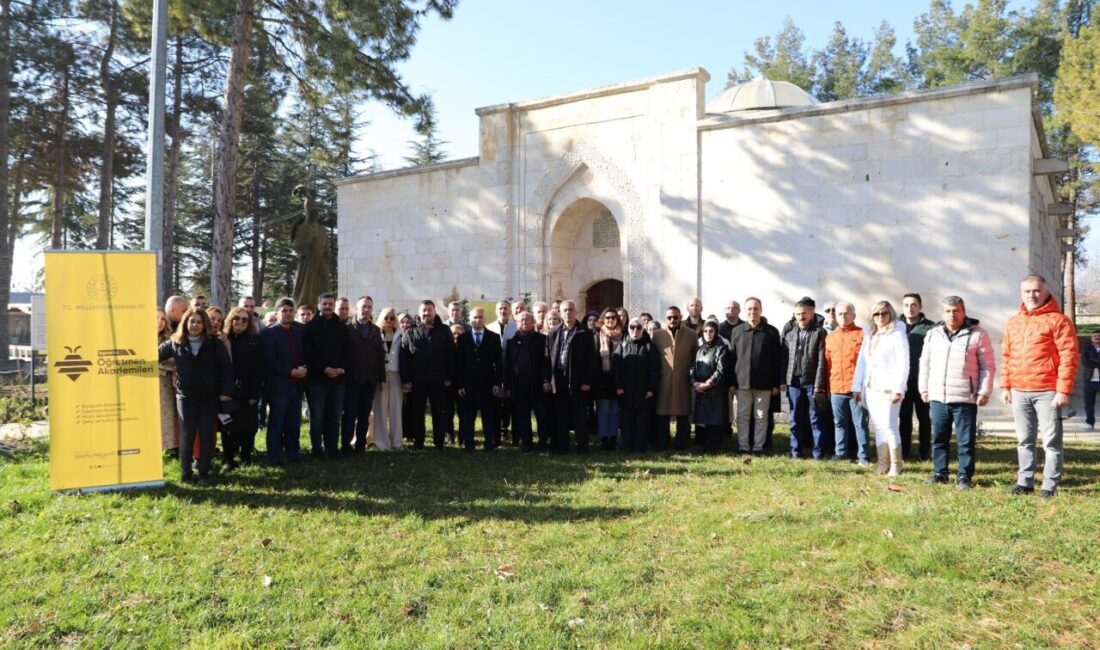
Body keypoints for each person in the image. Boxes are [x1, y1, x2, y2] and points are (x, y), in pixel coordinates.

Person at [1002, 275, 1079, 498]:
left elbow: (1069, 357)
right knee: (1024, 440)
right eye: (1027, 291)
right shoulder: (1014, 322)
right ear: (1021, 294)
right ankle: (1025, 482)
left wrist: (1063, 390)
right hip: (1019, 390)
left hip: (1047, 392)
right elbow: (1007, 355)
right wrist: (1006, 385)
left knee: (1051, 442)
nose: (1032, 295)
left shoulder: (1059, 321)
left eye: (1036, 291)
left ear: (1045, 292)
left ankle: (1049, 485)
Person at [918, 296, 996, 489]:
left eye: (956, 311)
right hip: (938, 397)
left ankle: (964, 477)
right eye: (948, 311)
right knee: (939, 439)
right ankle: (939, 473)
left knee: (965, 441)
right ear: (942, 313)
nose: (952, 315)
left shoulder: (978, 334)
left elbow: (987, 366)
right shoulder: (933, 334)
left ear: (964, 311)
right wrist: (924, 388)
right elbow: (925, 363)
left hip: (965, 397)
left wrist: (984, 391)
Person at [158, 307, 233, 484]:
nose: (195, 325)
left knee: (207, 435)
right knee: (187, 435)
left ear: (204, 324)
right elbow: (153, 354)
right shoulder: (175, 342)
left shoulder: (215, 344)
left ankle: (203, 473)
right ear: (185, 322)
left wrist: (226, 392)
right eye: (192, 321)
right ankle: (185, 474)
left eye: (199, 322)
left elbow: (226, 369)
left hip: (209, 398)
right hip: (185, 398)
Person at [852, 300, 909, 477]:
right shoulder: (870, 334)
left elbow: (903, 364)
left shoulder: (897, 334)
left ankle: (896, 465)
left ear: (890, 314)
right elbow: (862, 362)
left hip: (889, 389)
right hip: (871, 387)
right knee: (877, 426)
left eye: (884, 313)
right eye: (876, 314)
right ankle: (882, 463)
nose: (880, 317)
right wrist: (857, 386)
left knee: (890, 426)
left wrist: (898, 389)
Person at [728, 298, 782, 455]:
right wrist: (732, 383)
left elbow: (776, 360)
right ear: (745, 311)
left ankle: (759, 447)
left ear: (761, 310)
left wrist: (775, 384)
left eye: (756, 308)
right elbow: (732, 359)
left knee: (761, 416)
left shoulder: (771, 332)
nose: (753, 311)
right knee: (742, 416)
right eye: (750, 309)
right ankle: (743, 446)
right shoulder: (737, 331)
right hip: (742, 383)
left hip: (764, 384)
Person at [400, 300, 455, 449]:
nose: (426, 313)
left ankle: (439, 442)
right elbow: (404, 358)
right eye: (424, 310)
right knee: (417, 412)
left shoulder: (444, 330)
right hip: (417, 380)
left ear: (434, 312)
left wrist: (449, 377)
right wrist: (406, 379)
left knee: (439, 412)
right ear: (419, 313)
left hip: (439, 380)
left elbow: (450, 354)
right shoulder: (410, 332)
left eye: (429, 310)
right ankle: (419, 442)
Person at [302, 292, 350, 459]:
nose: (328, 307)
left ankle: (332, 449)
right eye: (325, 304)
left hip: (338, 380)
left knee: (334, 418)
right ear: (319, 305)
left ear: (334, 305)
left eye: (330, 304)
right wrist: (324, 368)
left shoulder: (342, 327)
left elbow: (348, 351)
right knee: (317, 418)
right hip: (317, 381)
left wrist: (341, 368)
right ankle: (317, 450)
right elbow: (308, 353)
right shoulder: (309, 327)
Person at [781, 299, 828, 459]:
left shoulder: (819, 333)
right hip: (793, 382)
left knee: (815, 418)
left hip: (811, 382)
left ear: (811, 313)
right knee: (795, 419)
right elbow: (784, 359)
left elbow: (822, 361)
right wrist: (783, 380)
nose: (801, 317)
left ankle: (818, 453)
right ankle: (795, 452)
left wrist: (819, 385)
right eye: (798, 314)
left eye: (804, 313)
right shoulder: (789, 334)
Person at [261, 298, 306, 465]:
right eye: (284, 310)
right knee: (276, 423)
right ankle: (274, 457)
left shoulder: (297, 332)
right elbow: (269, 360)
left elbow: (302, 354)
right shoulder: (269, 332)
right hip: (279, 386)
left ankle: (293, 454)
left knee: (294, 423)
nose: (288, 313)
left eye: (290, 310)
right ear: (277, 312)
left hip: (296, 385)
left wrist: (303, 368)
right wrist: (290, 371)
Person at [548, 300, 597, 453]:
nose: (568, 312)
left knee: (579, 416)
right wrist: (548, 379)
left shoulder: (585, 333)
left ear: (576, 312)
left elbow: (591, 360)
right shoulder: (553, 332)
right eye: (565, 310)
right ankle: (563, 447)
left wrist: (587, 381)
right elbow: (547, 357)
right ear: (560, 314)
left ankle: (582, 447)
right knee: (560, 415)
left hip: (578, 380)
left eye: (571, 310)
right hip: (559, 379)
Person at [825, 302, 870, 465]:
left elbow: (867, 362)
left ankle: (863, 456)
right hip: (836, 387)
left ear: (854, 315)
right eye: (840, 314)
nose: (843, 316)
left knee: (860, 424)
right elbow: (828, 363)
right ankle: (841, 453)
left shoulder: (862, 335)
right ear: (835, 316)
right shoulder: (830, 337)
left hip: (856, 389)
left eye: (847, 313)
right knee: (839, 423)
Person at [455, 307, 502, 451]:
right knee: (468, 416)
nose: (477, 320)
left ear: (485, 319)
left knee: (488, 415)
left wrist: (497, 382)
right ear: (470, 319)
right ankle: (469, 443)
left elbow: (499, 362)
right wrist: (460, 384)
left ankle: (489, 443)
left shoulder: (494, 337)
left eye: (480, 317)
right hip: (468, 384)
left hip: (488, 384)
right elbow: (459, 364)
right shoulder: (463, 338)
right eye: (475, 317)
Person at [222, 306, 263, 469]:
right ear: (230, 320)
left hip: (248, 390)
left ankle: (246, 457)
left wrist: (255, 393)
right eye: (236, 318)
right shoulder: (223, 340)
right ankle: (228, 459)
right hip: (228, 390)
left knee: (248, 426)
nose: (240, 322)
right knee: (228, 427)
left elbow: (259, 369)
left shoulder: (255, 340)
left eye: (244, 319)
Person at [343, 297, 385, 454]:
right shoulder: (347, 329)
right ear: (356, 308)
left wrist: (381, 378)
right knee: (349, 414)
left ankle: (361, 445)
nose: (366, 309)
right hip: (352, 380)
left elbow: (380, 356)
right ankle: (346, 446)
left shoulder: (375, 330)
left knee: (364, 415)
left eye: (369, 307)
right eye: (363, 306)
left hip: (370, 380)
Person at [653, 306, 698, 450]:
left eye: (675, 317)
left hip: (683, 379)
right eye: (669, 317)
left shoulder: (691, 334)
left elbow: (695, 357)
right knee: (662, 413)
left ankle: (681, 442)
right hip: (663, 380)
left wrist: (692, 376)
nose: (672, 320)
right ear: (665, 319)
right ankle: (662, 442)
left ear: (680, 317)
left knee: (683, 413)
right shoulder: (657, 334)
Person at [505, 311, 550, 453]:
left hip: (539, 385)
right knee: (523, 417)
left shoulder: (542, 339)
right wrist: (508, 386)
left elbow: (547, 362)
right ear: (517, 323)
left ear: (533, 322)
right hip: (520, 387)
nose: (524, 322)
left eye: (527, 320)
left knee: (542, 417)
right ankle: (526, 444)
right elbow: (508, 366)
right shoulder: (511, 342)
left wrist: (546, 380)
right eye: (521, 320)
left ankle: (543, 444)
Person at [613, 317, 658, 452]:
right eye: (632, 327)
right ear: (628, 328)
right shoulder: (622, 345)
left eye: (638, 327)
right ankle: (626, 446)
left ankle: (640, 447)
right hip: (625, 390)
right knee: (626, 419)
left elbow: (655, 369)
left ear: (643, 329)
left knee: (642, 420)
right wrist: (618, 386)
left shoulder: (649, 346)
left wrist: (651, 388)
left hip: (644, 390)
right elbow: (616, 368)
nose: (635, 330)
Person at [899, 292, 934, 460]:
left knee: (924, 418)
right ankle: (904, 451)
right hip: (902, 382)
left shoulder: (930, 327)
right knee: (903, 418)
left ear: (920, 307)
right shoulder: (896, 326)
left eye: (913, 305)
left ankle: (925, 451)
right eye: (906, 305)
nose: (910, 308)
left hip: (922, 381)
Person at [690, 320, 729, 453]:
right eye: (705, 331)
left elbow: (721, 370)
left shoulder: (721, 348)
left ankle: (713, 447)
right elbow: (693, 367)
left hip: (715, 391)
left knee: (713, 418)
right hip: (699, 389)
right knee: (701, 419)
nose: (708, 334)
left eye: (711, 331)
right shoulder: (699, 349)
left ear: (716, 332)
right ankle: (700, 444)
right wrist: (693, 381)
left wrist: (708, 383)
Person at [369, 308, 404, 450]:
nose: (389, 321)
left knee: (396, 409)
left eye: (392, 318)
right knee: (380, 410)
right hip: (381, 376)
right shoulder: (376, 334)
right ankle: (382, 443)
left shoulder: (401, 335)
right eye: (386, 318)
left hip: (396, 375)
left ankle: (397, 442)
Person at [487, 299, 518, 444]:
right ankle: (495, 434)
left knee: (509, 403)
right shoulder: (489, 327)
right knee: (495, 403)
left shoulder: (516, 327)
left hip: (512, 372)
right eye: (500, 308)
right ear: (496, 311)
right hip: (494, 372)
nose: (503, 311)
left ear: (510, 311)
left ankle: (506, 431)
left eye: (505, 308)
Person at [594, 308, 624, 450]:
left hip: (618, 379)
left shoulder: (623, 336)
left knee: (615, 410)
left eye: (613, 317)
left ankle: (613, 438)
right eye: (607, 318)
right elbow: (593, 359)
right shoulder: (597, 335)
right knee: (603, 410)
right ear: (602, 320)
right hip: (602, 380)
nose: (610, 320)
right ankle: (603, 439)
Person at [156, 308, 181, 455]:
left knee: (168, 416)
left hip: (166, 384)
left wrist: (154, 364)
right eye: (156, 318)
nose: (160, 322)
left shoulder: (170, 339)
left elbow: (174, 362)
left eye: (163, 319)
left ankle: (171, 447)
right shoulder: (138, 338)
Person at [1083, 331, 1100, 431]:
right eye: (1095, 336)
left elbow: (1090, 362)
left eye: (1099, 336)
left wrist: (1092, 361)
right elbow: (1085, 362)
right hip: (1089, 381)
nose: (1097, 337)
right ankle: (1090, 423)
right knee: (1089, 404)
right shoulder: (1087, 348)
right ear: (1091, 338)